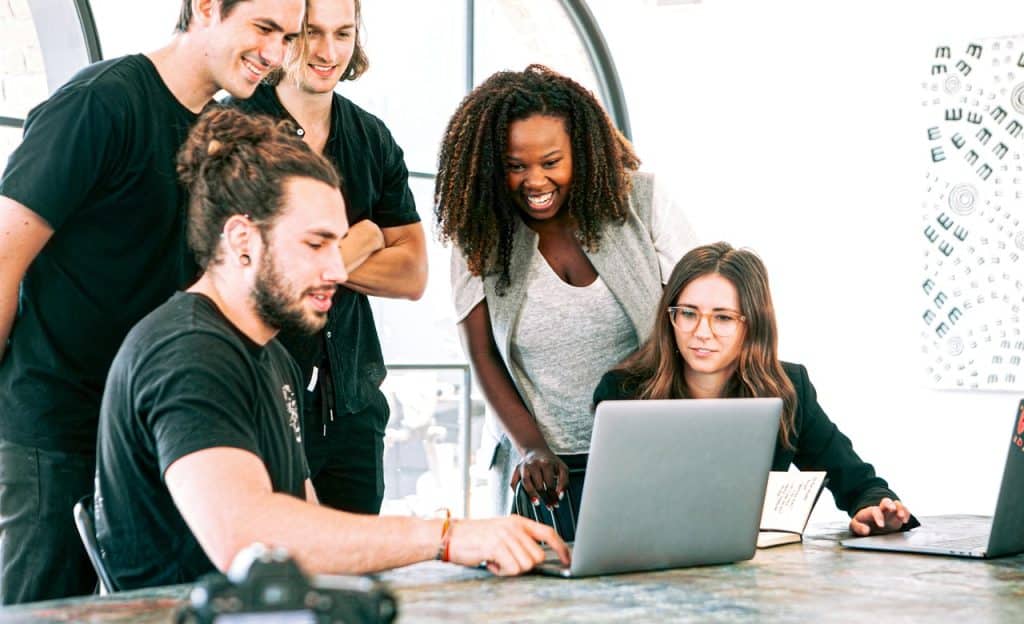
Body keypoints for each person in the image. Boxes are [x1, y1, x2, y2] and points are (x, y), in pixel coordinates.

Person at [94, 108, 567, 590]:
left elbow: (310, 527)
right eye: (316, 245)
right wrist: (446, 538)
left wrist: (457, 553)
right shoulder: (188, 352)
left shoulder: (272, 355)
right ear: (241, 239)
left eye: (337, 245)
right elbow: (249, 539)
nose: (339, 271)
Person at [0, 0, 303, 603]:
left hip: (152, 432)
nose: (276, 54)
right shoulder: (101, 102)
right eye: (264, 28)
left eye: (288, 37)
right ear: (207, 8)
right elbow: (4, 256)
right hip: (56, 427)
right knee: (42, 610)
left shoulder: (219, 130)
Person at [435, 64, 695, 516]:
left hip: (648, 449)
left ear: (583, 151)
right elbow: (482, 354)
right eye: (516, 166)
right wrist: (531, 447)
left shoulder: (644, 202)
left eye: (551, 162)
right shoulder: (478, 231)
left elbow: (695, 318)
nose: (535, 181)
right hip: (543, 469)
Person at [226, 0, 427, 514]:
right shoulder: (230, 127)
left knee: (355, 581)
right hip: (258, 402)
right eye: (310, 32)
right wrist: (362, 240)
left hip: (353, 410)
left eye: (344, 33)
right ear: (284, 34)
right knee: (271, 581)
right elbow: (245, 269)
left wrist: (310, 258)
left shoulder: (373, 138)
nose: (327, 51)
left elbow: (412, 274)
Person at [594, 242, 916, 536]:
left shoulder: (788, 390)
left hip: (750, 571)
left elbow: (858, 482)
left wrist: (874, 508)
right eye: (688, 313)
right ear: (670, 318)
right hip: (646, 564)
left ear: (752, 324)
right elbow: (609, 508)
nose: (701, 332)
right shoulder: (624, 392)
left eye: (722, 318)